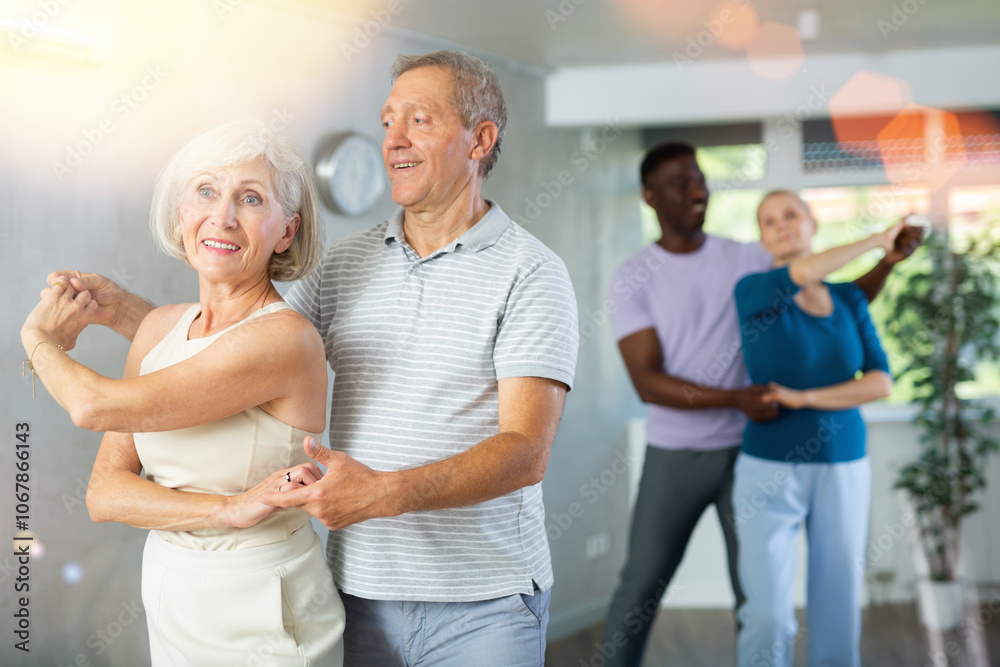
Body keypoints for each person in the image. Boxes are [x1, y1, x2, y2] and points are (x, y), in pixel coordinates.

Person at [50, 50, 578, 667]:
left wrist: (382, 495)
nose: (394, 140)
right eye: (387, 121)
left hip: (482, 603)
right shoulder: (346, 265)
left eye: (419, 121)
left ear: (480, 139)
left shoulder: (532, 273)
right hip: (356, 590)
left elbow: (525, 449)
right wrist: (129, 314)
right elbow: (247, 350)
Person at [21, 120, 345, 664]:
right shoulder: (158, 328)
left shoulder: (286, 339)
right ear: (181, 214)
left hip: (265, 606)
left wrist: (37, 339)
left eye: (249, 198)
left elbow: (92, 405)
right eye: (206, 191)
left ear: (285, 232)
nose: (222, 216)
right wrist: (226, 509)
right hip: (174, 594)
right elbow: (104, 495)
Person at [603, 143, 922, 666]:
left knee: (758, 599)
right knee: (641, 582)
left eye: (700, 179)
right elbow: (647, 382)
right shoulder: (633, 276)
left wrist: (887, 261)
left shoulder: (747, 256)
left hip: (752, 451)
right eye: (680, 183)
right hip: (678, 453)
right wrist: (737, 398)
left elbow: (842, 301)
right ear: (650, 196)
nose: (696, 190)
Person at [733, 191, 901, 667]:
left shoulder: (849, 299)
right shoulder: (753, 290)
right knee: (767, 614)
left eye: (792, 215)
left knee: (839, 601)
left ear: (812, 223)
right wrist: (876, 241)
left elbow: (880, 382)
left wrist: (802, 398)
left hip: (844, 462)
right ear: (763, 238)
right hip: (768, 469)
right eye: (769, 221)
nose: (782, 225)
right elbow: (803, 273)